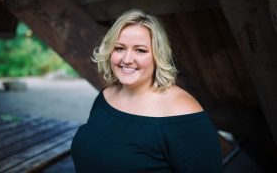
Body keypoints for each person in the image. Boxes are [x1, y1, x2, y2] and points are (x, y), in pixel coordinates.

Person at [71, 9, 223, 172]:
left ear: (158, 55)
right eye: (119, 48)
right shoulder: (105, 96)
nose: (127, 59)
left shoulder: (183, 112)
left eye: (140, 50)